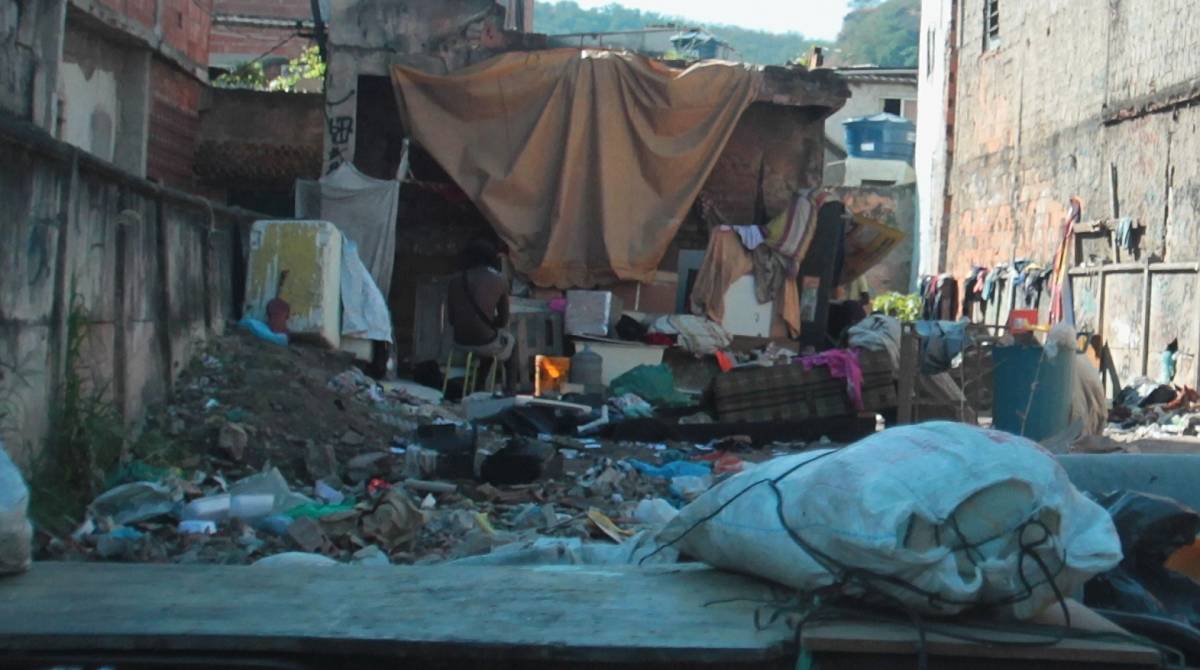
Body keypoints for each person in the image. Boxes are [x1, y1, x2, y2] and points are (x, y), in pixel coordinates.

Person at [447, 239, 514, 362]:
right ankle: (509, 381)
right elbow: (503, 320)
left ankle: (480, 377)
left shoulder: (455, 280)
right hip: (485, 342)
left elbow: (451, 319)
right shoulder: (500, 280)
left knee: (488, 341)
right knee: (509, 341)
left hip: (459, 341)